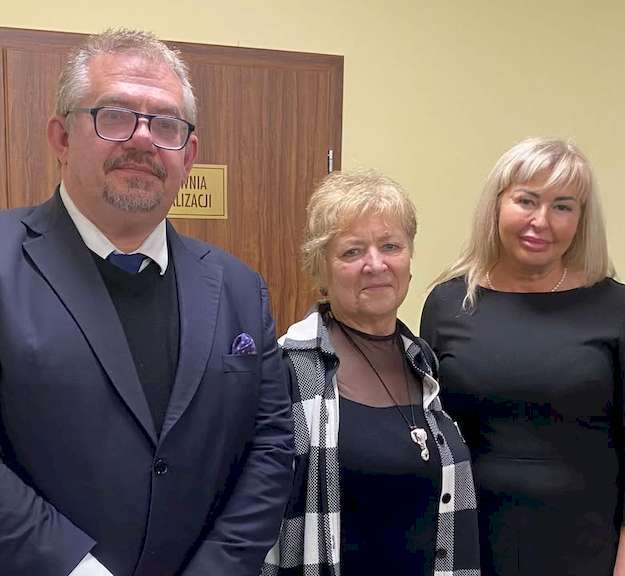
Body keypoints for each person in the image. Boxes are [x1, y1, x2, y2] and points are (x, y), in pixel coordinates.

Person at [0, 29, 294, 576]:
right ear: (61, 138)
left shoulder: (239, 288)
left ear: (189, 154)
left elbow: (271, 445)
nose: (142, 139)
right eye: (114, 116)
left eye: (165, 124)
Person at [421, 137, 625, 576]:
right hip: (468, 545)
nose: (541, 221)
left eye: (562, 206)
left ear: (581, 219)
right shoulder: (448, 304)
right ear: (497, 204)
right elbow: (430, 436)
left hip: (586, 549)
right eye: (526, 200)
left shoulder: (619, 307)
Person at [261, 170, 480, 576]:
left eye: (391, 246)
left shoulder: (423, 362)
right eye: (352, 252)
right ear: (321, 272)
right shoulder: (286, 369)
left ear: (409, 262)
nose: (375, 264)